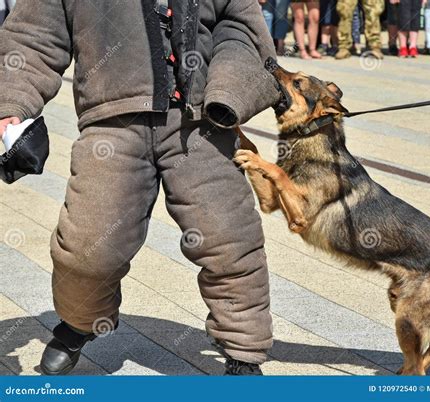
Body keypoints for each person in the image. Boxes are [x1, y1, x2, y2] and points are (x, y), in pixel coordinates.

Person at [0, 0, 280, 376]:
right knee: (86, 249)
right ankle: (82, 321)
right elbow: (31, 37)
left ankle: (243, 353)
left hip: (200, 122)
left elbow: (243, 26)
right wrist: (12, 104)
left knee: (231, 241)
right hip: (111, 122)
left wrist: (229, 91)